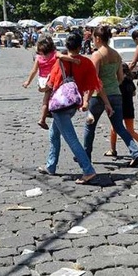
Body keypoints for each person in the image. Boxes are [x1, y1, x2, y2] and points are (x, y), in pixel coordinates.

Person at [38, 32, 112, 184]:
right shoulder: (86, 62)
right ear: (80, 46)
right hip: (73, 104)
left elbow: (51, 84)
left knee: (71, 139)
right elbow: (94, 84)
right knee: (53, 134)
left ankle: (88, 170)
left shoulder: (60, 62)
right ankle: (50, 166)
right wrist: (86, 101)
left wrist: (42, 90)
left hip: (60, 105)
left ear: (66, 46)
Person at [83, 26, 138, 168]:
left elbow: (94, 79)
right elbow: (120, 77)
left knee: (90, 127)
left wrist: (86, 99)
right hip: (116, 93)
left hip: (98, 96)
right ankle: (135, 152)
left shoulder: (97, 55)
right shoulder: (116, 55)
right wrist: (112, 86)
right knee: (119, 126)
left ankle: (85, 156)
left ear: (97, 38)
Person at [107, 63, 138, 159]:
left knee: (114, 129)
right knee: (131, 130)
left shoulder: (117, 82)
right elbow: (134, 93)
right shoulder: (130, 81)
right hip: (129, 108)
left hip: (119, 108)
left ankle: (113, 150)